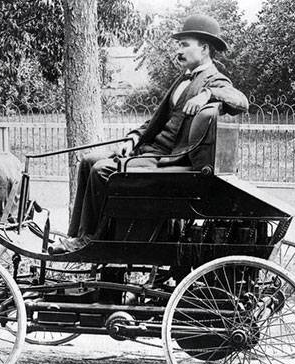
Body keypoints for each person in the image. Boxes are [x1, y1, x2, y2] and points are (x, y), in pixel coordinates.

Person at [49, 14, 249, 254]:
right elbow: (156, 121)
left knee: (101, 171)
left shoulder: (214, 79)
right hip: (151, 150)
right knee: (88, 161)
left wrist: (208, 94)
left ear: (205, 48)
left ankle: (93, 240)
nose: (179, 50)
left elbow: (241, 101)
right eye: (179, 44)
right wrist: (133, 138)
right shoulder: (182, 79)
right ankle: (77, 236)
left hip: (169, 160)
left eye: (185, 44)